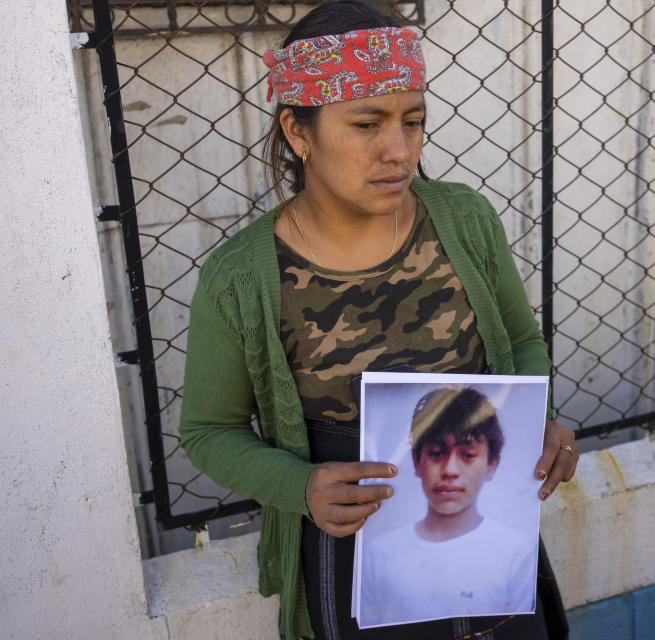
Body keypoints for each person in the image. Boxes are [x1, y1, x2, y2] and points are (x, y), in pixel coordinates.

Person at [178, 2, 580, 639]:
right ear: (297, 131)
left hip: (489, 559)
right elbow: (208, 429)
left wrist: (534, 421)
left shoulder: (464, 222)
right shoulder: (242, 278)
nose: (398, 150)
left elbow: (524, 343)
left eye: (413, 121)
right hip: (356, 560)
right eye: (366, 123)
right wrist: (299, 484)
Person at [360, 387, 538, 627]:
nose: (450, 470)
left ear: (491, 464)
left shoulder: (517, 553)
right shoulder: (378, 555)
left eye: (467, 455)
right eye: (436, 453)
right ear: (416, 461)